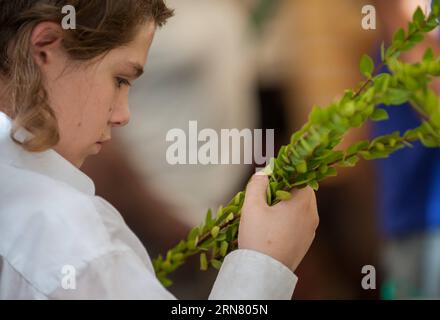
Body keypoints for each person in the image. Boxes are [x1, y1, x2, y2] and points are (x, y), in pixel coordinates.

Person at [0, 0, 319, 299]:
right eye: (120, 79)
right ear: (45, 49)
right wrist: (263, 263)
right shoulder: (80, 243)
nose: (123, 115)